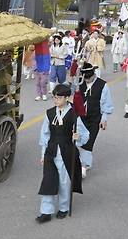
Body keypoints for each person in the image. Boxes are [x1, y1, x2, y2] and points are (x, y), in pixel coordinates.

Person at [36, 84, 89, 223]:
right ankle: (46, 211)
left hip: (67, 152)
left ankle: (63, 208)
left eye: (59, 98)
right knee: (48, 180)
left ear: (66, 98)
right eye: (54, 97)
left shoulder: (74, 114)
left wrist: (78, 137)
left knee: (64, 182)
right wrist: (43, 154)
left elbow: (84, 134)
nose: (56, 100)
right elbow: (45, 135)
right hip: (51, 152)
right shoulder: (49, 113)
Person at [78, 62, 114, 178]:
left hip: (95, 118)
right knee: (80, 140)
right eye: (85, 77)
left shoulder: (102, 85)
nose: (87, 80)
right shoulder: (80, 83)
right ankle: (82, 162)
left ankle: (84, 166)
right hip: (80, 118)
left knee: (89, 141)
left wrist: (104, 119)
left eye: (89, 77)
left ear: (93, 74)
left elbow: (106, 103)